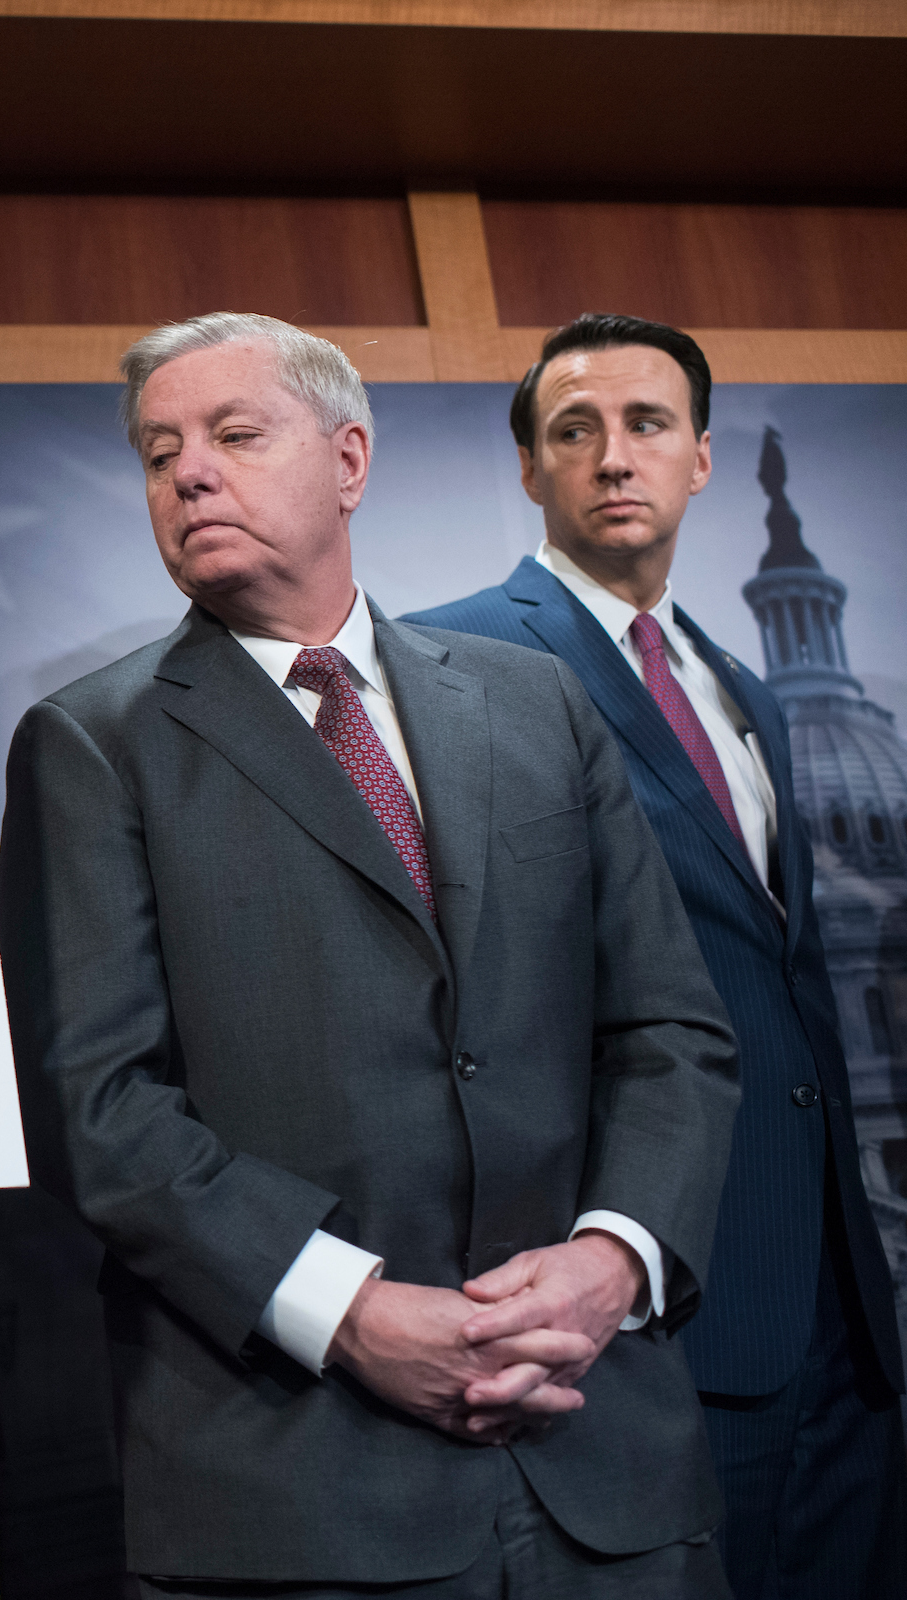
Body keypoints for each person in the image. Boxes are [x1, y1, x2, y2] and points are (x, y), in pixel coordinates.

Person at [0, 311, 742, 1595]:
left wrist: (613, 1259)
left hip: (605, 1466)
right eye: (160, 451)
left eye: (234, 434)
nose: (189, 473)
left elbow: (670, 1029)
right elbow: (93, 1108)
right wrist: (348, 1311)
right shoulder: (89, 743)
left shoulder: (535, 702)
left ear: (348, 461)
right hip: (301, 1492)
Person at [406, 312, 907, 1595]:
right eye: (576, 430)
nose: (613, 456)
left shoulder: (744, 685)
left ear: (698, 459)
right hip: (648, 1307)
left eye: (647, 425)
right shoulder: (447, 663)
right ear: (530, 469)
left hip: (845, 1308)